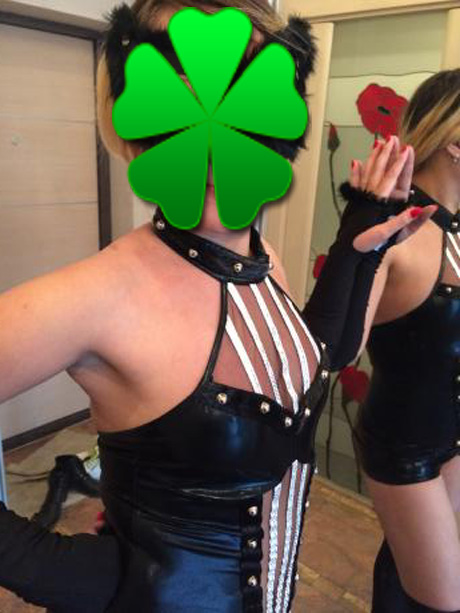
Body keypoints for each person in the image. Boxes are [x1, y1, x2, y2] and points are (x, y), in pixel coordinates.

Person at [0, 1, 436, 611]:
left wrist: (358, 246)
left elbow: (315, 359)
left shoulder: (264, 259)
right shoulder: (95, 297)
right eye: (180, 102)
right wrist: (76, 573)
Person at [306, 70, 460, 613]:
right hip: (404, 444)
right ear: (455, 143)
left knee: (413, 560)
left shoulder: (455, 230)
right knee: (445, 596)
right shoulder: (397, 228)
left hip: (452, 434)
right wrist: (361, 230)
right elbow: (334, 348)